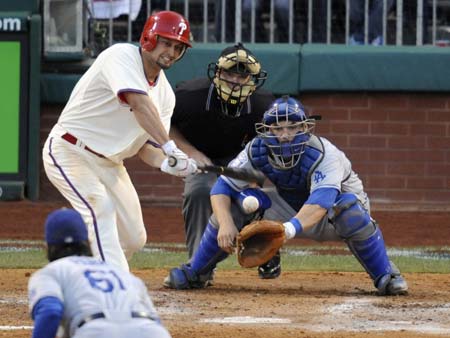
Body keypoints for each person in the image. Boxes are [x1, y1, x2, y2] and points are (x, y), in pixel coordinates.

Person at [164, 96, 409, 296]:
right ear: (266, 129)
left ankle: (386, 275)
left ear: (305, 128)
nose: (285, 135)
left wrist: (285, 231)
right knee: (241, 202)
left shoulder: (323, 154)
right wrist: (226, 224)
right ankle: (195, 272)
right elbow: (221, 188)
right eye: (278, 127)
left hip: (332, 214)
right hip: (291, 207)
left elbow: (321, 202)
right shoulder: (257, 149)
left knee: (349, 211)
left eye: (292, 127)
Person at [42, 10, 197, 272]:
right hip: (70, 150)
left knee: (133, 238)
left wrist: (169, 163)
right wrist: (171, 148)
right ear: (149, 37)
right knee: (99, 210)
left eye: (178, 47)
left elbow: (146, 149)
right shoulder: (121, 56)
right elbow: (139, 105)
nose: (171, 51)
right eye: (166, 43)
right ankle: (116, 289)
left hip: (110, 164)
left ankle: (82, 272)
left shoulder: (166, 95)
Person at [168, 42, 277, 281]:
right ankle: (198, 269)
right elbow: (164, 126)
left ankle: (265, 247)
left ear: (252, 78)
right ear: (217, 72)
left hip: (240, 160)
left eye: (243, 74)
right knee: (198, 191)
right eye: (230, 72)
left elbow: (268, 144)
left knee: (252, 200)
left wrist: (254, 176)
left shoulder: (263, 104)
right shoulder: (190, 96)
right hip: (201, 157)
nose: (236, 80)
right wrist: (188, 150)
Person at [28, 208, 171, 338]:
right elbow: (155, 320)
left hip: (96, 331)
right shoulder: (119, 272)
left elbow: (50, 312)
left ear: (48, 247)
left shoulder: (50, 272)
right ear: (88, 243)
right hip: (152, 332)